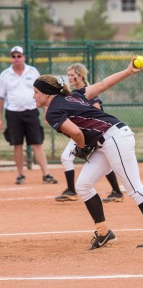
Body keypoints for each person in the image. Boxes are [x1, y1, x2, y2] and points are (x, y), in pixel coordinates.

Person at [33, 56, 143, 250]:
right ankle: (104, 233)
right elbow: (103, 84)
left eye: (36, 91)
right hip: (107, 141)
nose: (34, 96)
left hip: (115, 138)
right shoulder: (74, 95)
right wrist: (128, 71)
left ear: (46, 93)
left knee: (133, 187)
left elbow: (76, 133)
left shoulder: (53, 110)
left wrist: (81, 147)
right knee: (83, 185)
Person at [55, 63, 124, 202]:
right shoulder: (75, 91)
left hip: (92, 132)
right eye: (68, 75)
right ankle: (116, 191)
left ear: (80, 76)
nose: (69, 78)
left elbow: (97, 110)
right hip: (84, 131)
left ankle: (71, 191)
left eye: (72, 75)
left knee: (66, 157)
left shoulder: (86, 91)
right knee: (102, 160)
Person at [0, 46, 58, 185]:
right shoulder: (5, 75)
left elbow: (42, 93)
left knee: (37, 143)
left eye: (19, 56)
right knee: (17, 145)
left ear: (24, 57)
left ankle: (46, 174)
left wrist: (46, 112)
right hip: (13, 113)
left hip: (31, 112)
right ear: (11, 58)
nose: (16, 59)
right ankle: (21, 175)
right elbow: (1, 98)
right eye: (13, 56)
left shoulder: (32, 71)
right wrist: (0, 117)